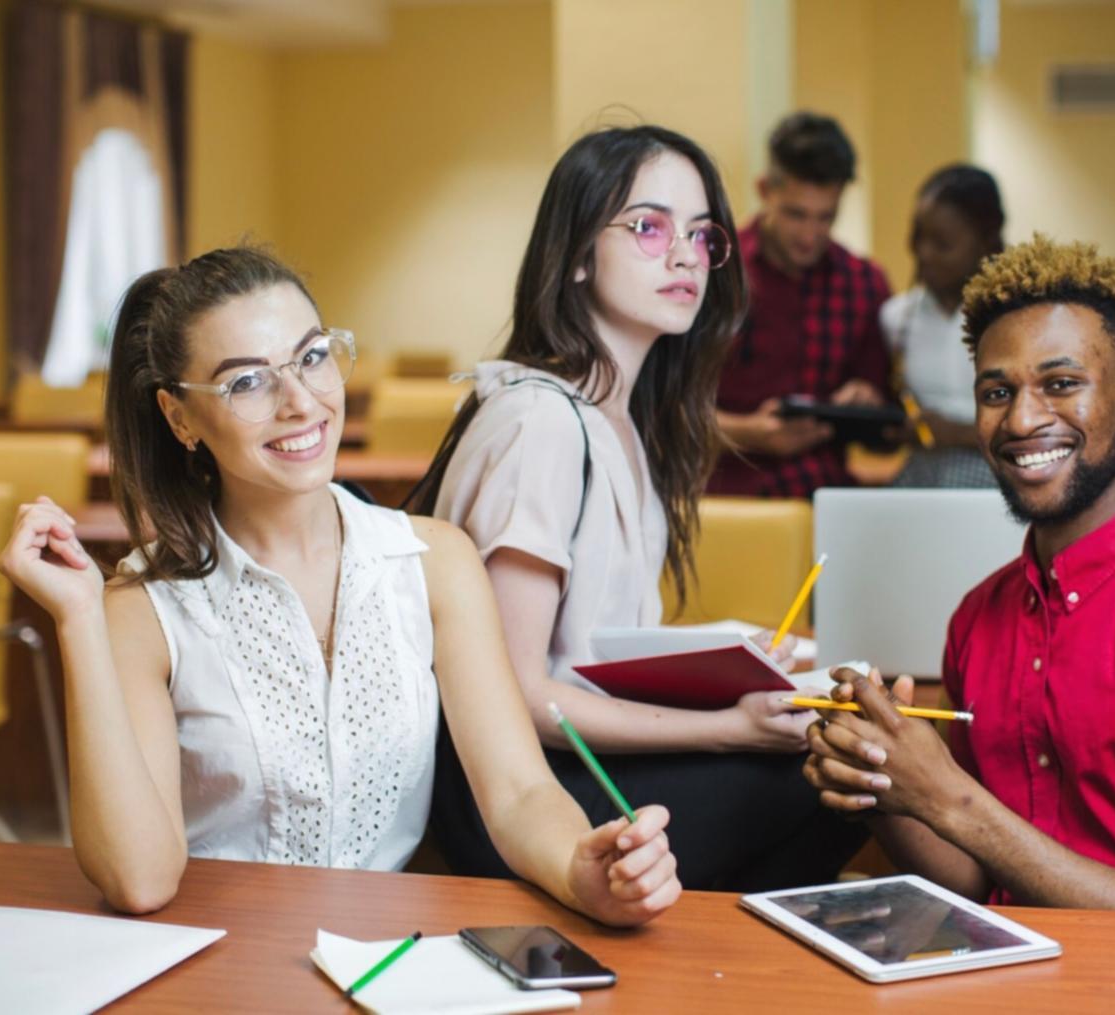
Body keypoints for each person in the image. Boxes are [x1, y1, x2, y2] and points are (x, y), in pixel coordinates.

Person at [0, 247, 680, 926]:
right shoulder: (143, 607)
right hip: (219, 963)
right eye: (246, 382)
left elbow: (520, 791)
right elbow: (138, 880)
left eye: (313, 356)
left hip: (381, 957)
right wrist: (79, 618)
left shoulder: (432, 560)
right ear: (180, 417)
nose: (301, 402)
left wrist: (576, 866)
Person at [407, 125, 867, 892]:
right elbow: (518, 692)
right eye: (649, 227)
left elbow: (582, 649)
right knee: (833, 781)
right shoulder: (541, 422)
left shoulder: (623, 417)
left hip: (575, 756)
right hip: (517, 794)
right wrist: (727, 729)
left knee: (842, 754)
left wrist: (727, 659)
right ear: (579, 254)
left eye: (700, 234)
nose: (685, 255)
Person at [804, 235, 1115, 926]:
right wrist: (885, 780)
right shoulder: (979, 616)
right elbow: (975, 877)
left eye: (1060, 383)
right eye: (995, 392)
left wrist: (951, 797)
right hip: (1000, 971)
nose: (1021, 419)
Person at [708, 111, 894, 499]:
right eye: (796, 215)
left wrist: (865, 401)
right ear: (764, 190)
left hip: (824, 507)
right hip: (725, 506)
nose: (810, 236)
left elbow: (887, 432)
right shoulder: (711, 273)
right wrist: (748, 433)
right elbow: (657, 413)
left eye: (825, 217)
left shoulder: (864, 284)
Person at [883, 164, 1005, 488]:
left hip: (1001, 482)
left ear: (985, 242)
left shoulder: (1018, 317)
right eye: (917, 236)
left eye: (942, 243)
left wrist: (959, 433)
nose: (924, 253)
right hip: (924, 480)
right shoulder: (896, 317)